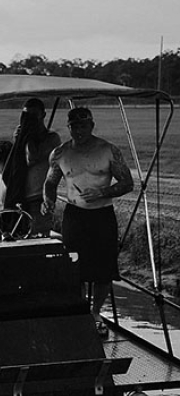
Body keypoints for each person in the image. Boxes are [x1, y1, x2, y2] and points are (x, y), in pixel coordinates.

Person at [42, 107, 133, 336]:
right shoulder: (60, 153)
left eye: (83, 126)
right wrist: (48, 201)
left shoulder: (108, 150)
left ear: (91, 126)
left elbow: (127, 183)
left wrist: (102, 192)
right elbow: (50, 183)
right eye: (74, 127)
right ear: (69, 127)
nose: (79, 131)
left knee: (104, 268)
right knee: (74, 265)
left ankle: (96, 312)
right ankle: (81, 309)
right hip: (74, 215)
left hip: (102, 215)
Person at [3, 98, 61, 236]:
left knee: (38, 237)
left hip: (39, 198)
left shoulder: (51, 138)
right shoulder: (23, 137)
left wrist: (27, 137)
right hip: (20, 196)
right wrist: (18, 140)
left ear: (43, 115)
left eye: (33, 115)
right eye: (26, 115)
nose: (29, 119)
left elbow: (32, 158)